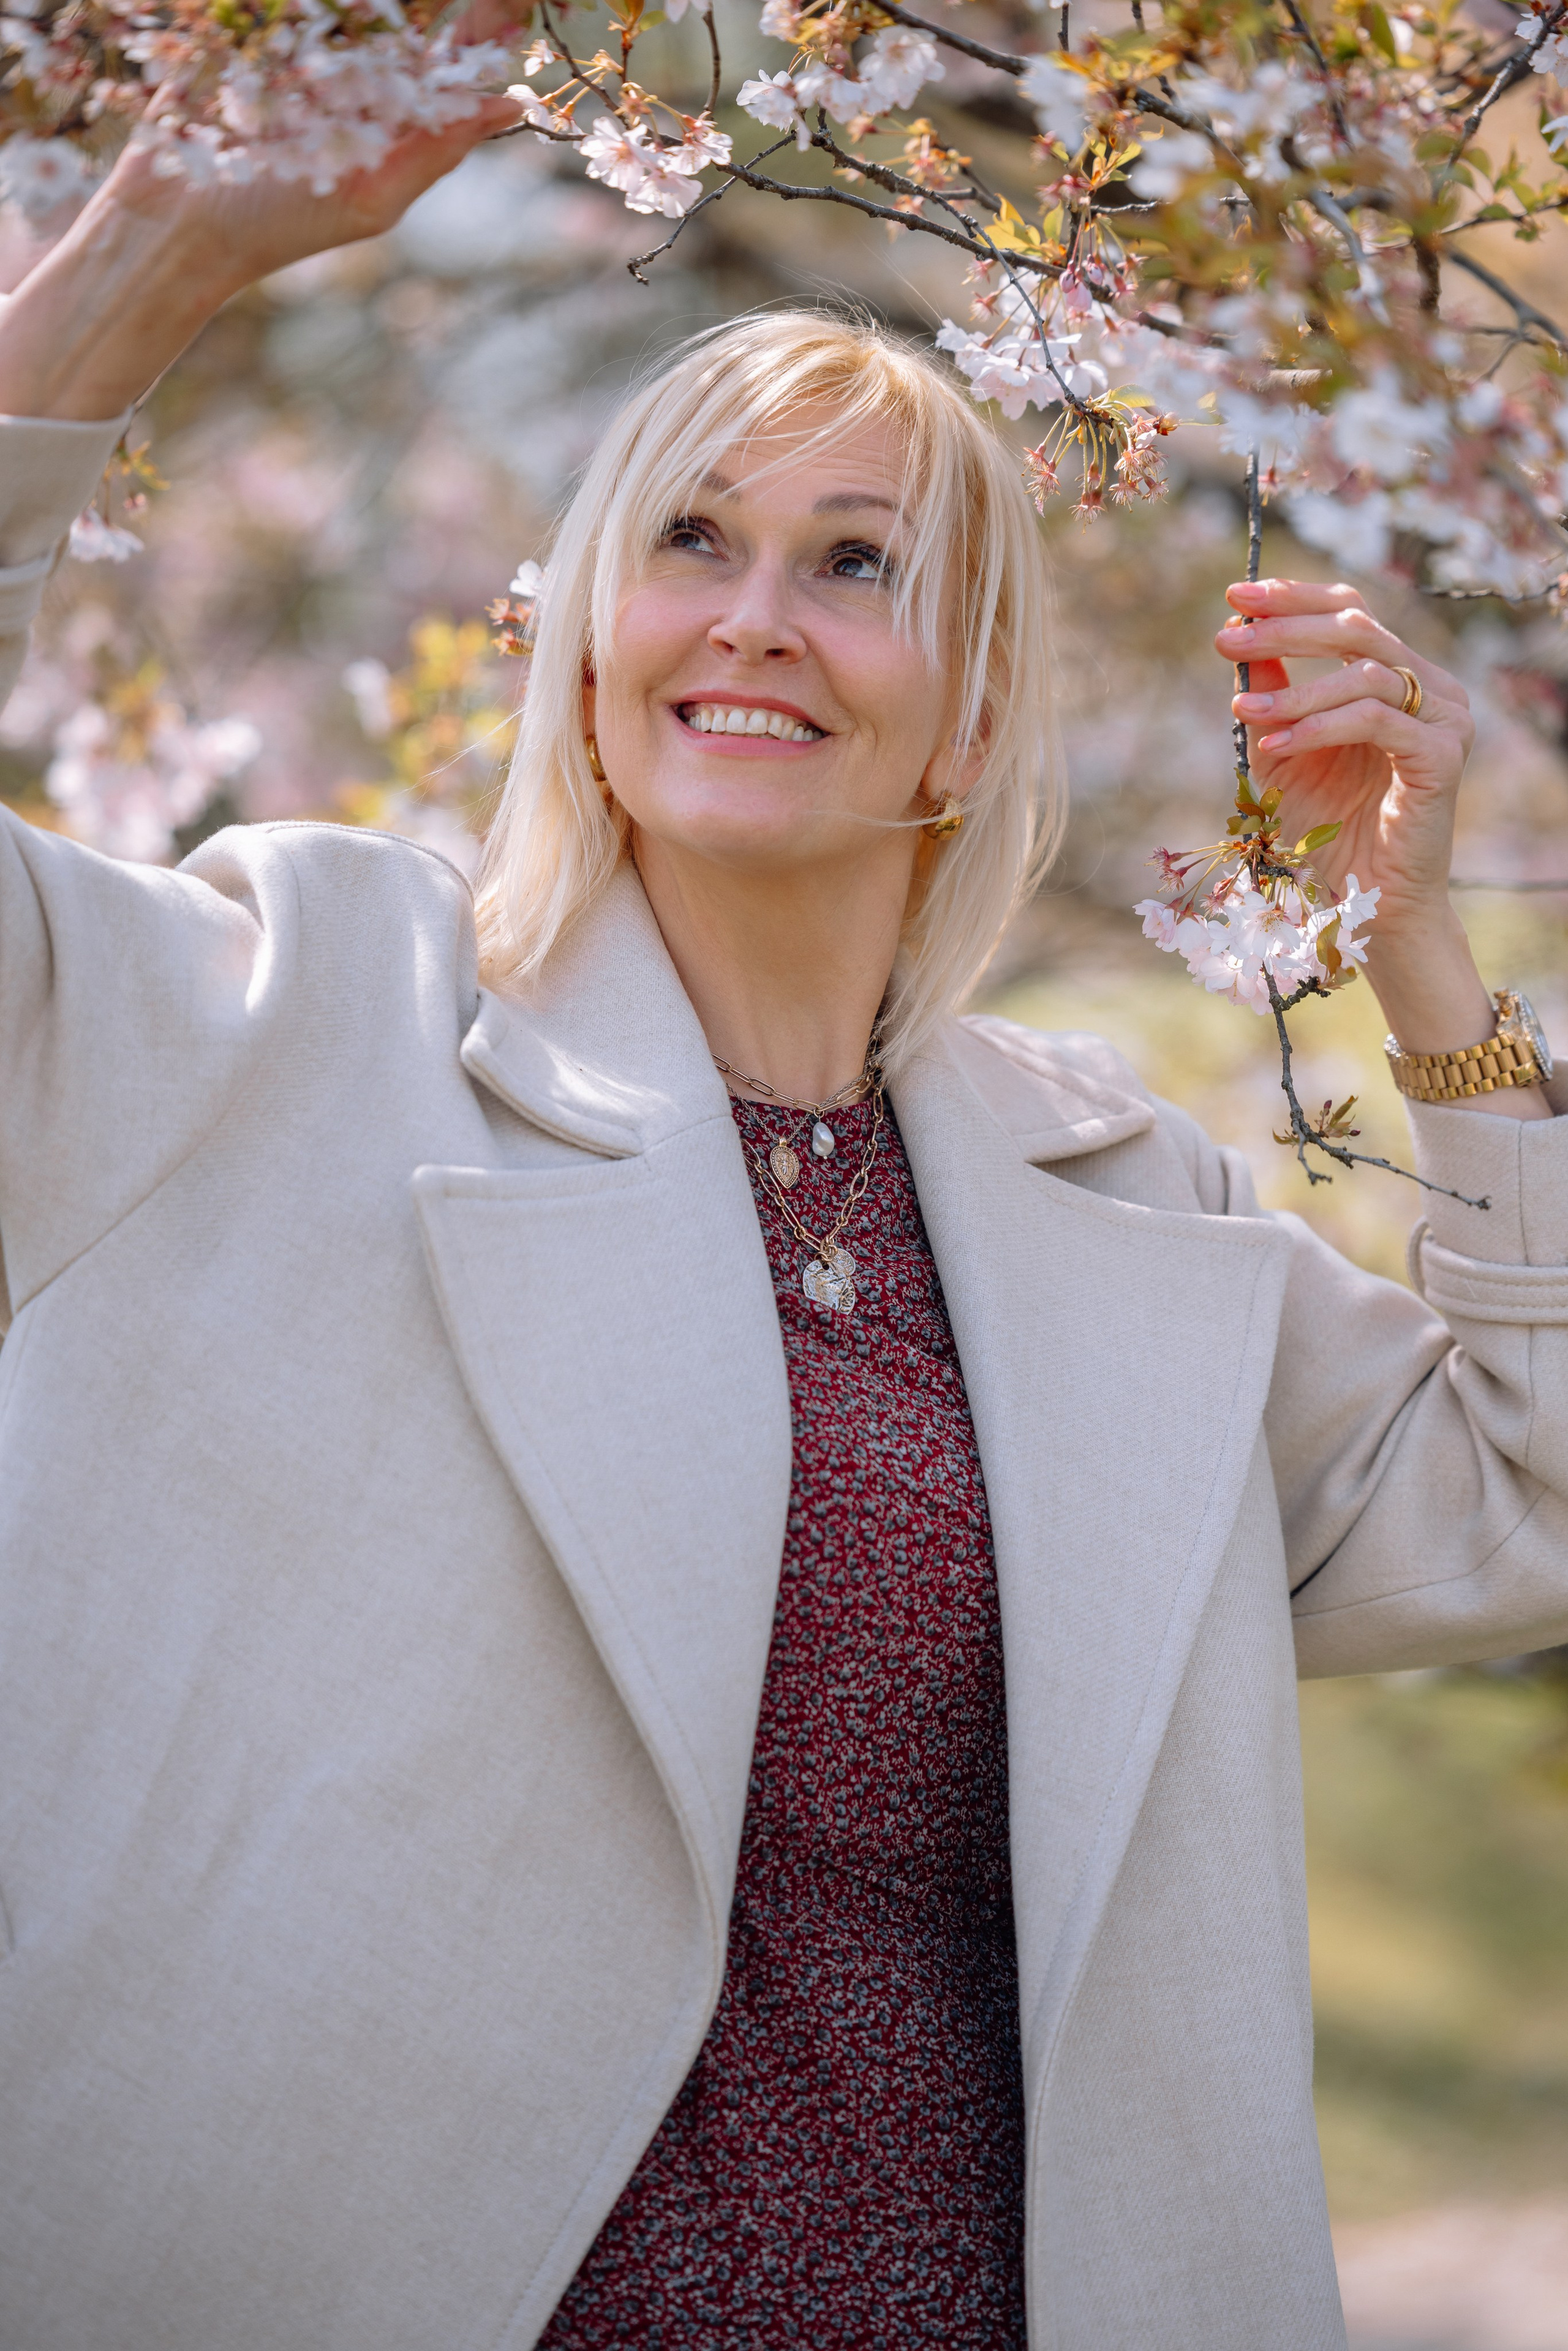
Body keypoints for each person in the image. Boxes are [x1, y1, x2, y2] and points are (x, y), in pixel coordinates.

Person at [0, 108, 1564, 2351]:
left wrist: (1416, 952)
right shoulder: (290, 998)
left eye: (856, 564)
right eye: (695, 540)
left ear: (985, 698)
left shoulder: (1112, 1198)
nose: (754, 619)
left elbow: (1538, 1480)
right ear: (585, 638)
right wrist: (147, 246)